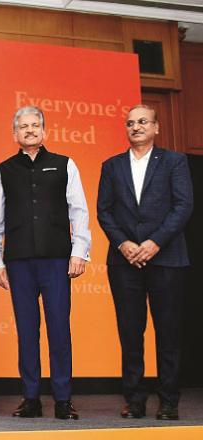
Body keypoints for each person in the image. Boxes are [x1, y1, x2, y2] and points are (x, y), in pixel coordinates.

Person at [0, 106, 91, 420]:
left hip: (57, 259)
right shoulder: (2, 170)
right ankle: (30, 397)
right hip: (18, 262)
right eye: (23, 126)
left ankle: (63, 399)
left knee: (60, 328)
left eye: (35, 125)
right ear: (14, 133)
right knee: (27, 331)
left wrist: (79, 252)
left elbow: (79, 211)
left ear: (44, 130)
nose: (30, 130)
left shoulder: (65, 165)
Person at [97, 104, 193, 421]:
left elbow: (183, 206)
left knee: (168, 334)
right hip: (124, 262)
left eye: (142, 121)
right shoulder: (111, 166)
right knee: (130, 332)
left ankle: (168, 401)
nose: (136, 127)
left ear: (156, 127)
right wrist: (124, 244)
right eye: (130, 123)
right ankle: (134, 399)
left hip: (166, 259)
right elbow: (104, 211)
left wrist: (154, 242)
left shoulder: (174, 162)